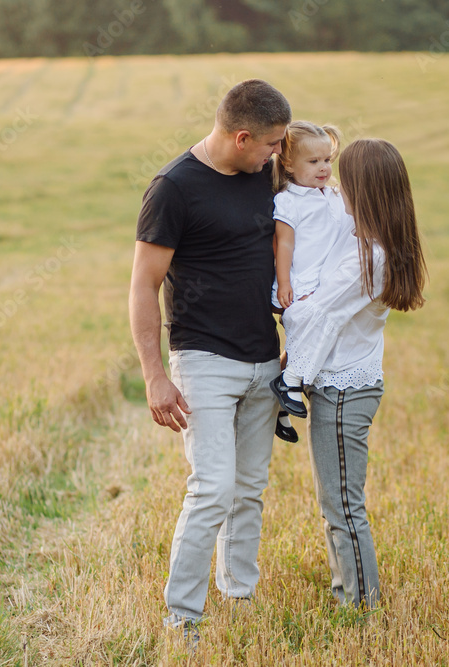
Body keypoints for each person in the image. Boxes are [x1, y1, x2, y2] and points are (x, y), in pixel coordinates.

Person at [129, 79, 291, 638]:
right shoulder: (174, 188)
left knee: (249, 488)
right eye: (272, 144)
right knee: (213, 488)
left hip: (263, 359)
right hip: (202, 359)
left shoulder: (263, 175)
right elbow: (142, 286)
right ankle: (182, 618)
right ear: (242, 137)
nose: (279, 155)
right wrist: (155, 376)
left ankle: (239, 596)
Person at [270, 138, 427, 609]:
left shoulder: (372, 256)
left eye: (345, 178)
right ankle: (350, 597)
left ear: (366, 189)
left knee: (342, 506)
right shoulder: (363, 240)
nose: (335, 183)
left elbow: (316, 314)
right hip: (336, 382)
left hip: (343, 389)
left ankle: (360, 608)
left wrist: (283, 304)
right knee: (335, 503)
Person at [267, 121, 345, 440]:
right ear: (287, 163)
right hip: (300, 283)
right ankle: (289, 385)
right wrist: (284, 283)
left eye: (327, 160)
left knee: (308, 341)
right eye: (313, 162)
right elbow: (283, 244)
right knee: (307, 334)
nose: (323, 168)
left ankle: (281, 404)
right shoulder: (290, 200)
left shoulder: (331, 194)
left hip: (323, 282)